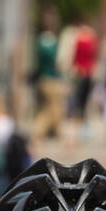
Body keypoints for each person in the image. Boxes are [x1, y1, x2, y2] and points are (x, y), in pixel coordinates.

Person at [59, 16, 100, 146]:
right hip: (88, 73)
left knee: (76, 103)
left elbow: (74, 56)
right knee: (83, 104)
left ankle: (74, 136)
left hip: (79, 72)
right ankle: (82, 133)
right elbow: (94, 56)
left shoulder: (78, 39)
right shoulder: (92, 38)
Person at [31, 8, 66, 143]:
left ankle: (56, 134)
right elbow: (55, 62)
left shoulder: (42, 41)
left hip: (46, 78)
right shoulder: (48, 41)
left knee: (51, 107)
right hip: (50, 78)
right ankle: (39, 133)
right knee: (53, 109)